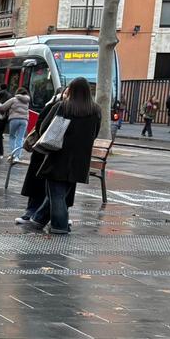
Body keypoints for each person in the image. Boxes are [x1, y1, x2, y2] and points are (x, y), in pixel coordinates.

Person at [16, 77, 101, 235]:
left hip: (59, 155)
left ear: (71, 90)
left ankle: (59, 227)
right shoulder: (96, 110)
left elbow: (44, 127)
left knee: (57, 194)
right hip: (81, 159)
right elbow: (95, 133)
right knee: (57, 192)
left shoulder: (63, 106)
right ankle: (38, 220)